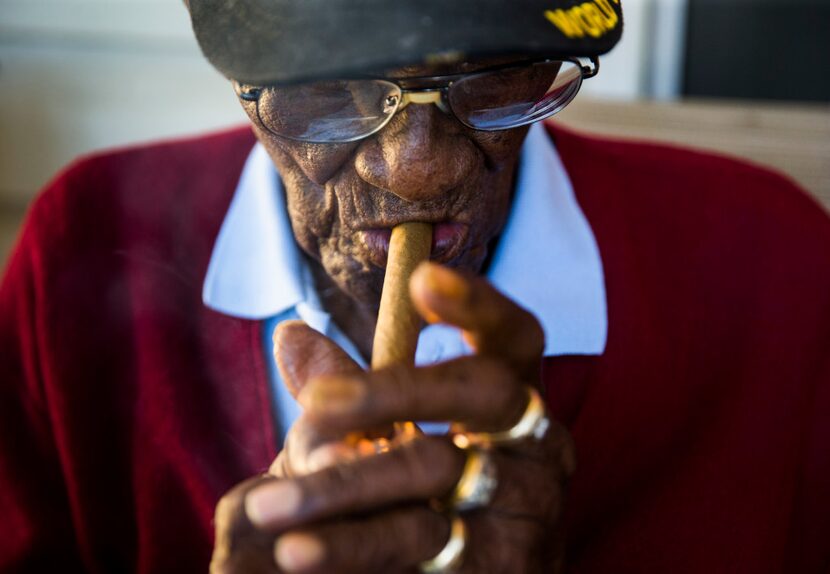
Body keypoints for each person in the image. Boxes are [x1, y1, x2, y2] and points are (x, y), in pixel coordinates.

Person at [1, 0, 828, 572]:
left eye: (498, 75)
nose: (419, 169)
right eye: (327, 86)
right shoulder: (84, 244)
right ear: (243, 88)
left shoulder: (776, 273)